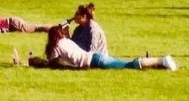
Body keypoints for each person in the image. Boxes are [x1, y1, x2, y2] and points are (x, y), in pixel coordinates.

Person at [35, 24, 176, 70]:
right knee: (125, 64)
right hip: (96, 56)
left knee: (128, 65)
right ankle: (158, 65)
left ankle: (161, 60)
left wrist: (38, 62)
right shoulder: (67, 41)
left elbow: (54, 62)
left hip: (94, 61)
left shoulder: (57, 45)